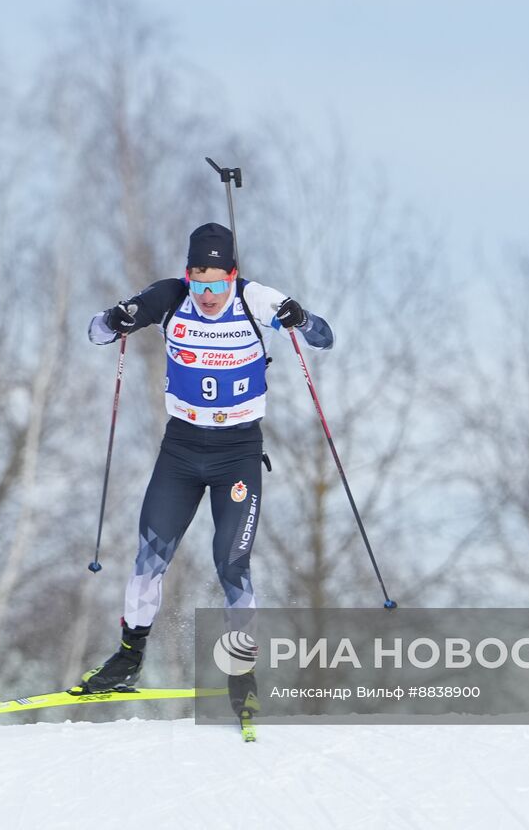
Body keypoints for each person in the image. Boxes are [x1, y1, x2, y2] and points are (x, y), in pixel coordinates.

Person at [77, 221, 334, 720]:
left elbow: (324, 338)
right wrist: (118, 317)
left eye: (218, 283)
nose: (209, 294)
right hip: (181, 450)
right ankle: (128, 659)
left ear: (232, 276)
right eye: (200, 282)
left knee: (230, 562)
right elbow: (96, 333)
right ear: (188, 276)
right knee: (150, 555)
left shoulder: (254, 299)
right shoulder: (170, 298)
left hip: (237, 452)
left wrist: (299, 318)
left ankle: (242, 673)